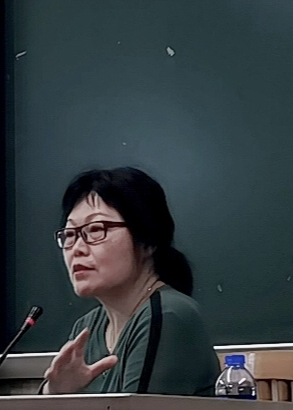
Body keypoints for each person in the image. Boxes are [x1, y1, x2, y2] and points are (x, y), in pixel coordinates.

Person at [43, 167, 219, 396]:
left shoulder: (168, 316)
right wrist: (55, 391)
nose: (77, 248)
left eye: (95, 229)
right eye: (69, 234)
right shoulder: (86, 328)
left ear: (147, 240)